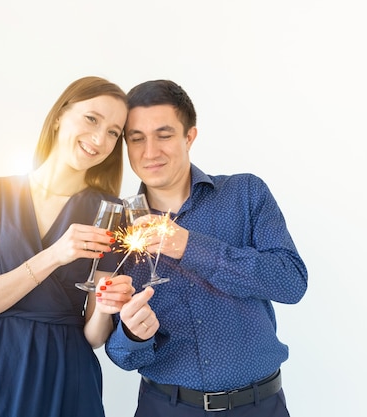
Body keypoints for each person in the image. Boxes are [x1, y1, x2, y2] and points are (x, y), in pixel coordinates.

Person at [105, 80, 308, 417]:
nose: (150, 151)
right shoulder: (118, 225)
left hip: (259, 407)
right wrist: (131, 335)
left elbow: (290, 282)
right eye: (136, 139)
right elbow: (123, 357)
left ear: (189, 137)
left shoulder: (245, 193)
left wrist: (187, 245)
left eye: (164, 134)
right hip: (164, 408)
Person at [0, 76, 135, 417]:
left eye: (113, 132)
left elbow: (93, 336)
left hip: (69, 376)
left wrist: (108, 306)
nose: (99, 139)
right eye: (92, 119)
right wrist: (54, 255)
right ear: (61, 115)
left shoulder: (112, 213)